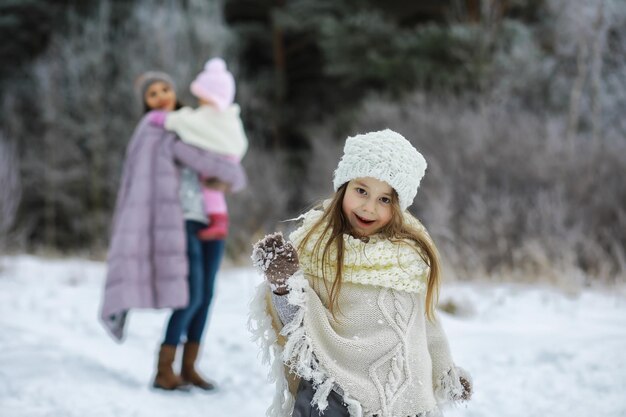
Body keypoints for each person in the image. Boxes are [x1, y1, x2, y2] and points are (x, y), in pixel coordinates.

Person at [249, 129, 472, 417]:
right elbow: (300, 328)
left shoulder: (409, 255)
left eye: (385, 200)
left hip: (407, 401)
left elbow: (424, 322)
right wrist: (284, 284)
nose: (369, 207)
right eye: (361, 191)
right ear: (344, 186)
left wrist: (445, 371)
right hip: (333, 398)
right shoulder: (316, 247)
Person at [100, 71, 246, 392]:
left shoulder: (190, 124)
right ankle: (163, 370)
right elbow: (201, 160)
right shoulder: (157, 130)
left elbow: (229, 167)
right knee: (189, 296)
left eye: (164, 88)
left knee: (206, 296)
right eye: (152, 94)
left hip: (211, 218)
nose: (161, 96)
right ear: (146, 103)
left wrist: (228, 178)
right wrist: (230, 174)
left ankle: (189, 367)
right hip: (180, 223)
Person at [149, 58, 248, 241]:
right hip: (231, 159)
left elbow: (186, 122)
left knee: (209, 186)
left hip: (219, 161)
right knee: (213, 188)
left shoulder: (208, 115)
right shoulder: (231, 116)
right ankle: (219, 220)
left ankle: (218, 220)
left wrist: (163, 120)